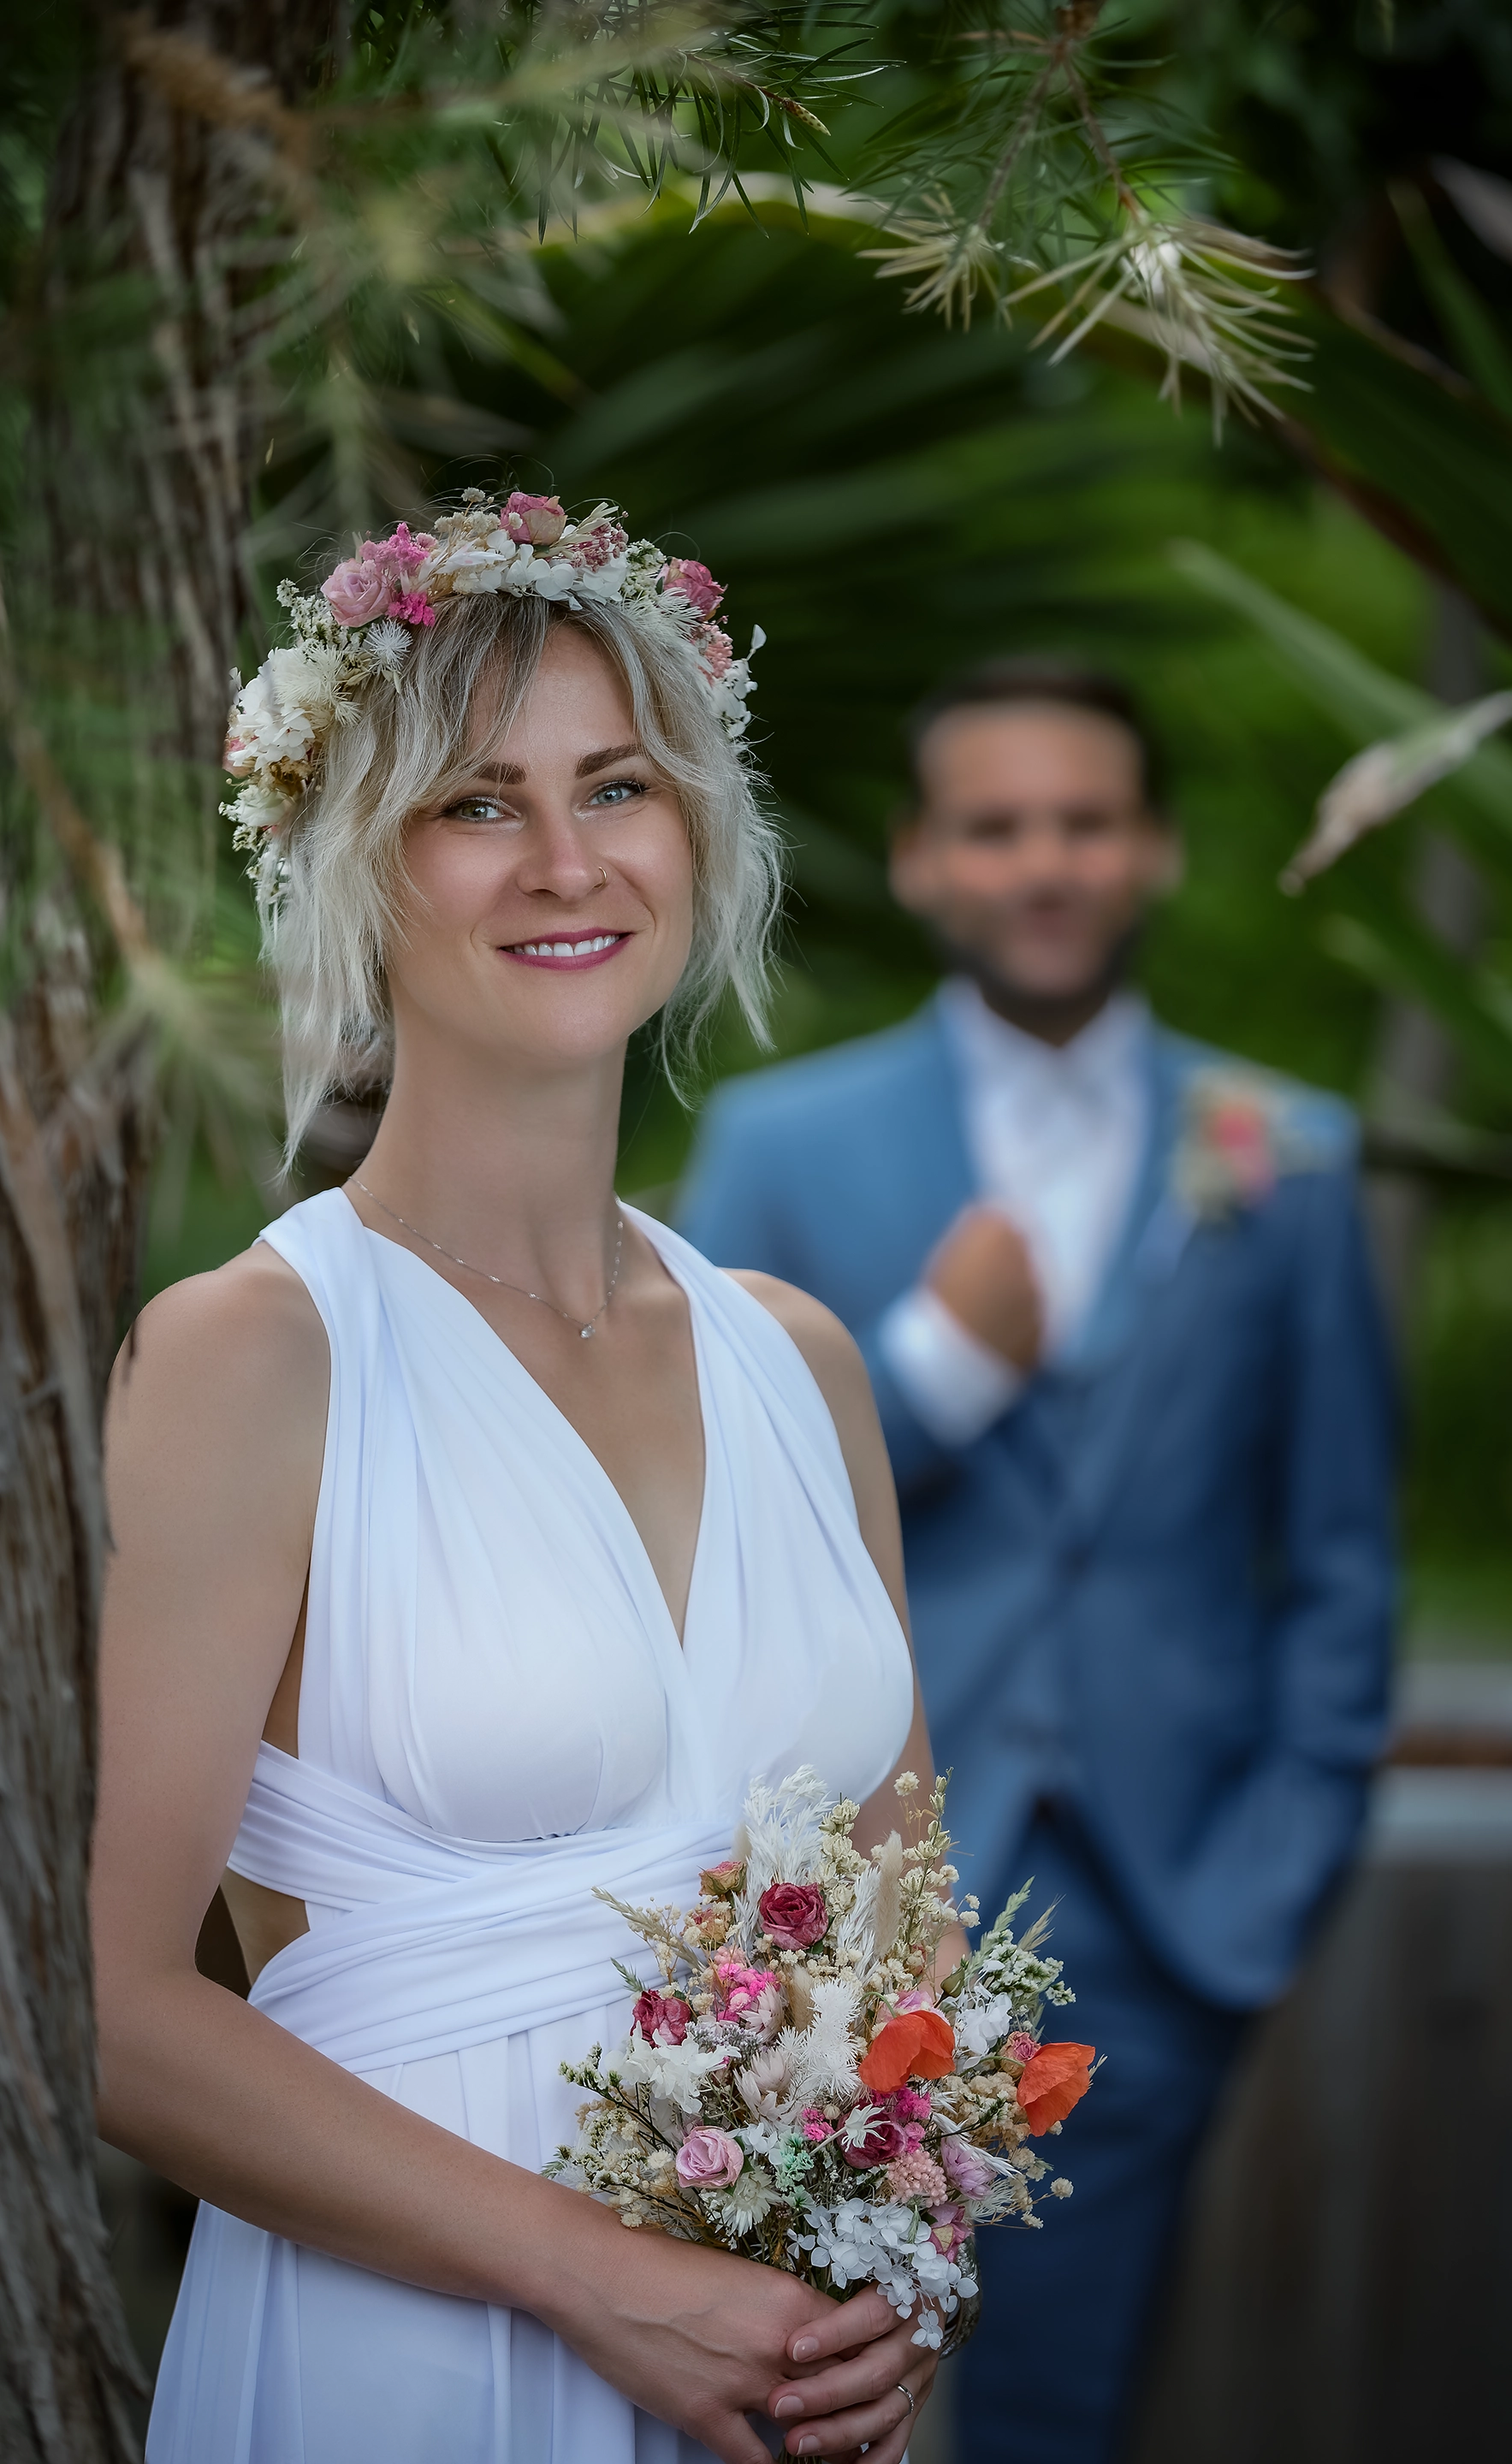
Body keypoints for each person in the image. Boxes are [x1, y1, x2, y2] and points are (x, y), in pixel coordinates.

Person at [91, 489, 961, 2464]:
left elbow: (904, 1908)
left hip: (781, 2378)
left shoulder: (800, 1361)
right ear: (347, 862)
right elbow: (108, 2005)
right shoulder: (251, 1360)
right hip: (404, 2371)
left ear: (700, 831)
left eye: (618, 786)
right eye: (477, 802)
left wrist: (898, 2257)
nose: (567, 861)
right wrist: (603, 2282)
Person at [678, 659, 1398, 2463]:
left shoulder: (1287, 1156)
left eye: (1086, 821)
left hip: (1168, 1906)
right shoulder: (783, 1149)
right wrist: (929, 1375)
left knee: (1068, 2416)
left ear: (1150, 849)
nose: (1045, 862)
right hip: (833, 1908)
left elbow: (1339, 1557)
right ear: (922, 861)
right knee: (785, 2409)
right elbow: (694, 1524)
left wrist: (1274, 1867)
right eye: (997, 827)